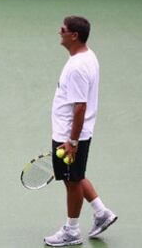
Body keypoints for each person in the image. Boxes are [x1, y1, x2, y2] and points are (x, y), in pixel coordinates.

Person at [44, 16, 117, 246]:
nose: (60, 31)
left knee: (72, 182)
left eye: (63, 29)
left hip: (70, 135)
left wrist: (72, 141)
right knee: (75, 176)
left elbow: (80, 107)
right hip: (73, 134)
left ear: (74, 35)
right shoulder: (87, 56)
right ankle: (101, 212)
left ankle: (72, 231)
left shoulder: (77, 67)